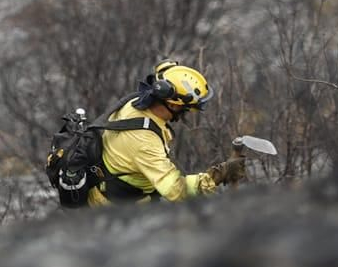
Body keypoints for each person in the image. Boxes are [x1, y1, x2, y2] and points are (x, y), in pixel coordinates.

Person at [88, 60, 246, 206]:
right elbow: (176, 191)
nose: (188, 113)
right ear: (174, 105)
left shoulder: (136, 105)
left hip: (113, 190)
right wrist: (217, 175)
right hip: (118, 211)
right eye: (187, 109)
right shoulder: (144, 140)